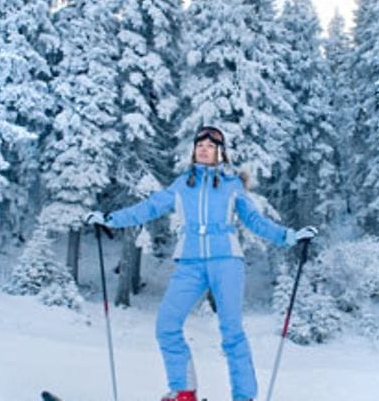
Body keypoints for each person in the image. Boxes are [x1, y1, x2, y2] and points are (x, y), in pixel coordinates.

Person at [85, 125, 317, 401]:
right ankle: (183, 390)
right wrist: (110, 219)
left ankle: (244, 397)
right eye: (199, 145)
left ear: (221, 153)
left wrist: (289, 236)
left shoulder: (232, 186)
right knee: (167, 325)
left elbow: (255, 221)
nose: (203, 149)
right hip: (190, 264)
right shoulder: (183, 185)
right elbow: (149, 207)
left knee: (232, 332)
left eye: (210, 146)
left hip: (227, 262)